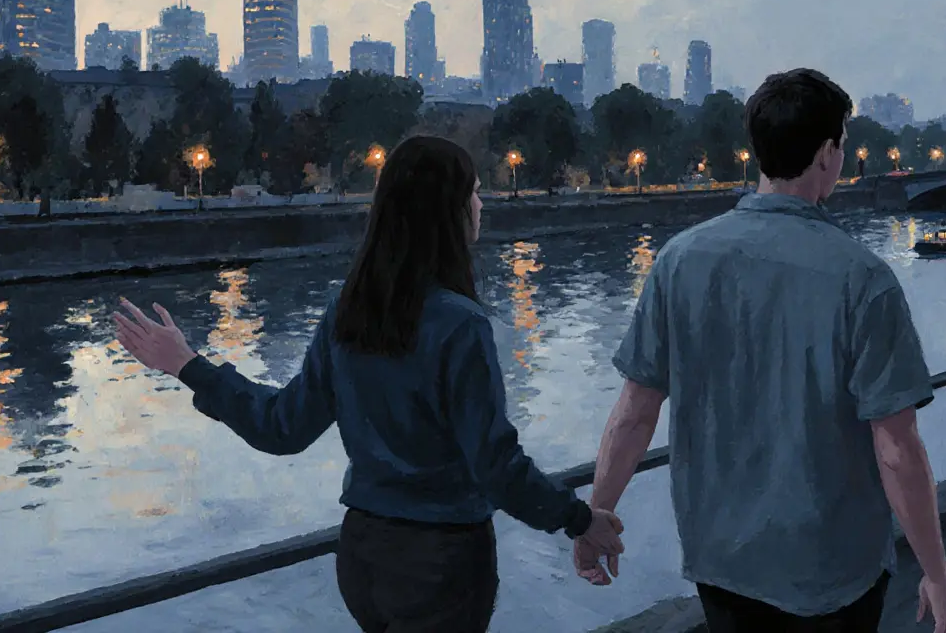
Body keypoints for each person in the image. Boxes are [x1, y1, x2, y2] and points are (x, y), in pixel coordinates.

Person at [113, 135, 625, 632]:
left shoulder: (347, 312)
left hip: (362, 554)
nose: (481, 203)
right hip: (441, 560)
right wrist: (579, 519)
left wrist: (190, 366)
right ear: (444, 210)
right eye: (472, 191)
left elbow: (282, 427)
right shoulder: (462, 325)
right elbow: (496, 464)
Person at [575, 69, 946, 632]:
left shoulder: (679, 261)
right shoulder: (864, 280)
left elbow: (634, 413)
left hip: (721, 555)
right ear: (828, 154)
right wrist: (936, 574)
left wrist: (596, 515)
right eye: (843, 146)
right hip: (832, 569)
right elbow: (897, 450)